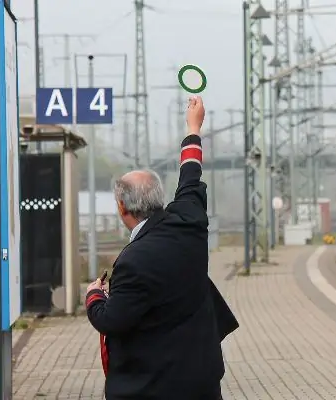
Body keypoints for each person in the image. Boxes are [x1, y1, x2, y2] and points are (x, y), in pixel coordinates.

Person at [86, 96, 238, 400]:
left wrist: (93, 295)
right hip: (202, 383)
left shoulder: (133, 262)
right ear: (159, 197)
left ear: (121, 207)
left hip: (152, 388)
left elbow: (111, 320)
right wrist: (193, 127)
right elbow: (191, 173)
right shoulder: (189, 220)